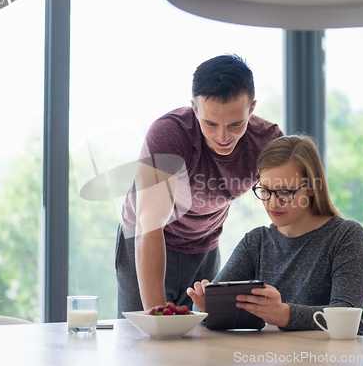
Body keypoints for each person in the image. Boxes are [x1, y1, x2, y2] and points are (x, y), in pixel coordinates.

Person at [115, 54, 284, 317]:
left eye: (236, 124)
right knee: (146, 340)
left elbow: (292, 210)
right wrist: (159, 318)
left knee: (204, 339)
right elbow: (149, 225)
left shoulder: (267, 142)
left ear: (251, 109)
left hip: (205, 242)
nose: (223, 137)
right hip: (148, 239)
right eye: (210, 123)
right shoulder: (170, 134)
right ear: (195, 109)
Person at [187, 135, 363, 334]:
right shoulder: (255, 242)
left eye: (284, 192)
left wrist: (283, 314)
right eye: (265, 191)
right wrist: (207, 306)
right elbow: (204, 309)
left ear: (311, 188)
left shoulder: (346, 236)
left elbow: (346, 316)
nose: (273, 203)